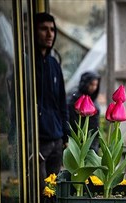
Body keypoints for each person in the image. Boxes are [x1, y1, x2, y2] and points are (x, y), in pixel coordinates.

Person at [35, 12, 69, 183]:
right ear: (33, 32)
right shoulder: (27, 63)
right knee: (39, 192)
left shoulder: (54, 64)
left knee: (53, 192)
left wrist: (65, 134)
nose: (49, 34)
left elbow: (61, 102)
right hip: (37, 140)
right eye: (43, 29)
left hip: (56, 139)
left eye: (52, 30)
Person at [68, 71, 101, 153]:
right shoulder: (75, 99)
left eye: (96, 85)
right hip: (79, 138)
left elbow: (95, 125)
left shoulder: (93, 98)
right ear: (85, 83)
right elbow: (72, 121)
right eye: (91, 84)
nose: (94, 87)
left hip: (92, 139)